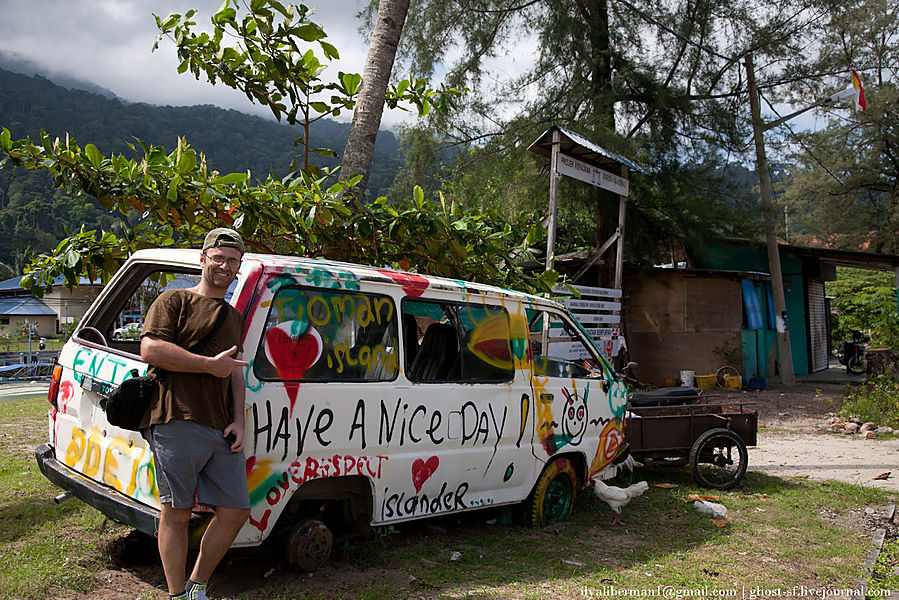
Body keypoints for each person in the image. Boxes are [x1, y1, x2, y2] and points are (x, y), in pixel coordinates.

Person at [139, 228, 251, 600]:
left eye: (231, 261)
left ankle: (196, 585)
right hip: (175, 417)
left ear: (238, 268)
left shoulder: (234, 318)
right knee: (177, 513)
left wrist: (239, 420)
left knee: (235, 510)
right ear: (202, 260)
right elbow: (151, 350)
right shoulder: (174, 300)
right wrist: (207, 365)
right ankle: (175, 595)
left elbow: (235, 370)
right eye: (217, 258)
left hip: (220, 426)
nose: (223, 266)